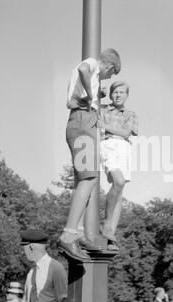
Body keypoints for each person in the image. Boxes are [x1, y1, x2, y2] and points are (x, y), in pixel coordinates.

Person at [57, 48, 121, 260]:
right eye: (110, 75)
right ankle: (69, 234)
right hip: (84, 122)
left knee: (83, 180)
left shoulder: (90, 74)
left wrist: (93, 95)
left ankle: (80, 232)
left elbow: (75, 96)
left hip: (79, 121)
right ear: (110, 66)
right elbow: (85, 69)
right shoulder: (92, 63)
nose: (107, 78)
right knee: (90, 177)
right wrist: (92, 95)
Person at [98, 81, 138, 250]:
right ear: (111, 94)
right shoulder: (104, 109)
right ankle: (107, 224)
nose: (118, 95)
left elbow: (126, 133)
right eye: (115, 92)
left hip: (124, 148)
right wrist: (99, 95)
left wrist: (105, 126)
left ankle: (110, 236)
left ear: (126, 95)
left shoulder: (131, 114)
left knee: (119, 190)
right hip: (108, 145)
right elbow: (94, 108)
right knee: (118, 181)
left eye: (122, 92)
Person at [21, 229, 68, 302]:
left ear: (30, 247)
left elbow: (64, 300)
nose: (23, 252)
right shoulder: (31, 272)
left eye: (24, 248)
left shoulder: (56, 268)